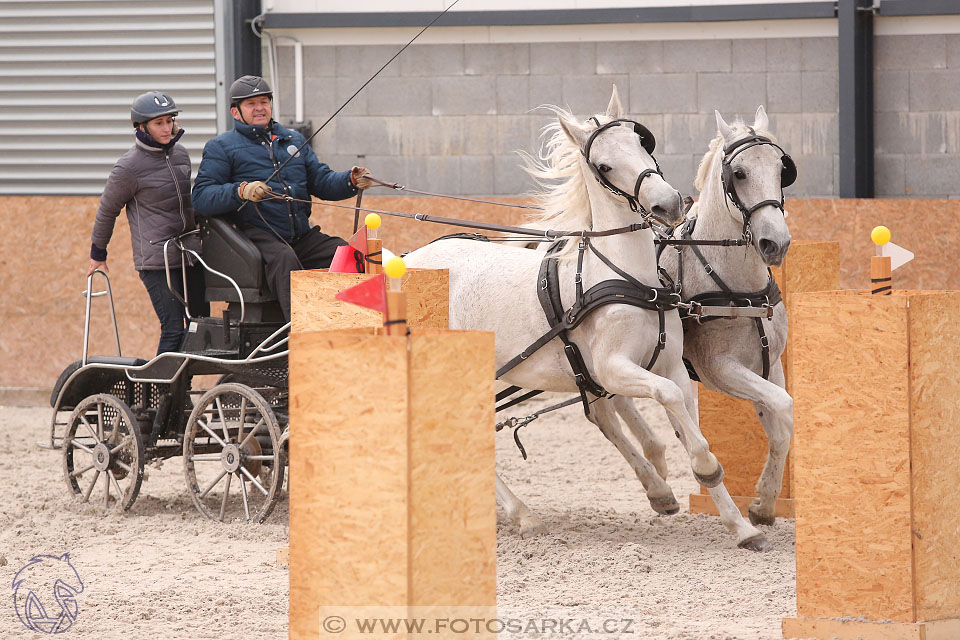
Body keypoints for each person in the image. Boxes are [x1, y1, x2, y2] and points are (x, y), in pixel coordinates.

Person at [192, 75, 372, 321]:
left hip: (300, 235)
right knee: (285, 260)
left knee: (346, 253)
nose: (259, 108)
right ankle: (300, 336)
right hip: (256, 236)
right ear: (236, 112)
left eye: (264, 101)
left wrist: (349, 181)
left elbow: (321, 181)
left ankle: (354, 324)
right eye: (251, 104)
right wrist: (240, 190)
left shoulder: (294, 140)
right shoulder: (221, 147)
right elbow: (201, 197)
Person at [89, 91, 208, 355]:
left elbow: (186, 202)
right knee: (175, 327)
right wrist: (98, 252)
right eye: (159, 123)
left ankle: (181, 390)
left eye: (170, 121)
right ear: (141, 127)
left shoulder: (181, 155)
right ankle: (162, 394)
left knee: (200, 327)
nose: (167, 128)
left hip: (189, 254)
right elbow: (107, 210)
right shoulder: (127, 168)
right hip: (157, 260)